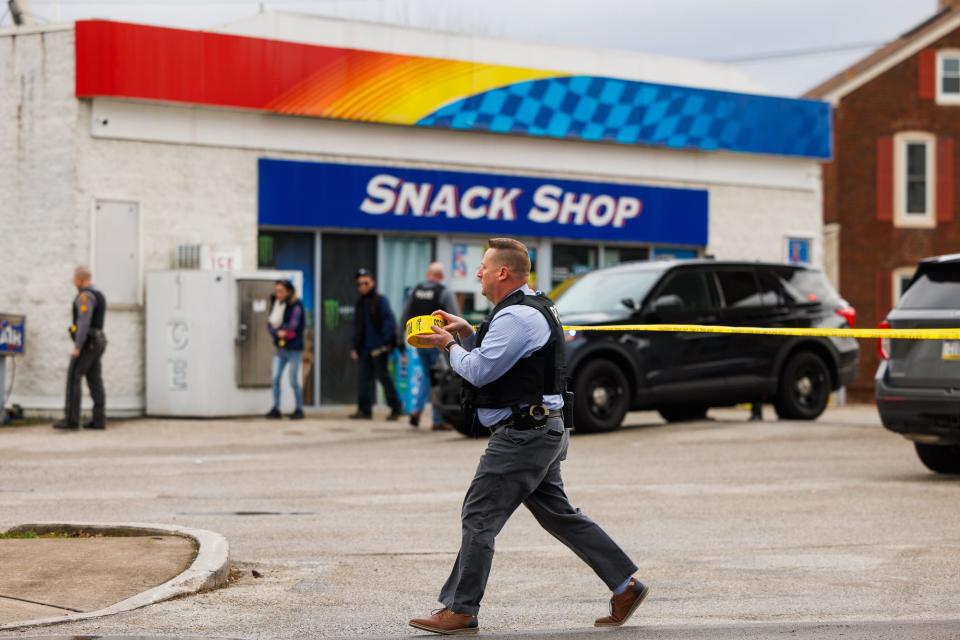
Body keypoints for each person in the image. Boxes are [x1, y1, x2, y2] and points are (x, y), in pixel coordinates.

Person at [409, 238, 647, 635]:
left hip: (524, 435)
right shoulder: (531, 306)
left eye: (483, 266)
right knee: (560, 515)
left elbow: (481, 371)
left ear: (503, 272)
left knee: (479, 516)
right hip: (542, 429)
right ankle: (626, 585)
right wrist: (468, 332)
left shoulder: (517, 316)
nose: (477, 273)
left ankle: (460, 609)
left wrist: (449, 344)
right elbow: (503, 359)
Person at [400, 261, 460, 431]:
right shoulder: (444, 292)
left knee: (428, 376)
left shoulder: (416, 291)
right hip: (438, 342)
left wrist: (400, 337)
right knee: (439, 378)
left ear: (428, 275)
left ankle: (417, 411)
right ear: (441, 277)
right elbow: (455, 317)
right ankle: (437, 419)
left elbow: (405, 314)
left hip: (419, 340)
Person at [54, 266, 107, 430]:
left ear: (80, 279)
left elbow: (83, 322)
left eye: (74, 279)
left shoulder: (85, 296)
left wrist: (77, 346)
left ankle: (71, 420)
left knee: (74, 377)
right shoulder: (99, 294)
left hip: (87, 343)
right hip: (98, 341)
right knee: (94, 379)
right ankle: (98, 421)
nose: (73, 282)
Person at [350, 268, 403, 421]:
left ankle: (396, 408)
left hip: (379, 348)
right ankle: (364, 410)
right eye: (359, 284)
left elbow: (389, 322)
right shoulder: (360, 303)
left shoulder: (380, 300)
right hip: (364, 349)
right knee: (363, 380)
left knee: (384, 379)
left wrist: (385, 343)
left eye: (365, 283)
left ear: (372, 283)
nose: (362, 286)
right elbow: (357, 326)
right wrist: (355, 347)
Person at [265, 279, 306, 420]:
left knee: (293, 380)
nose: (278, 294)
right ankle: (276, 408)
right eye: (276, 291)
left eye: (281, 291)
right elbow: (269, 325)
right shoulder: (276, 304)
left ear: (288, 291)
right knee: (275, 378)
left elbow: (294, 325)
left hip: (294, 349)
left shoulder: (296, 305)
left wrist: (282, 330)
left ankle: (299, 409)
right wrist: (277, 332)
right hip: (280, 348)